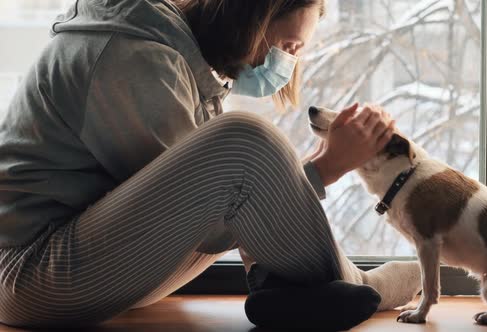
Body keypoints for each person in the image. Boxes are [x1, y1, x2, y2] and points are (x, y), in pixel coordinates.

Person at [0, 0, 421, 330]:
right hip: (32, 274)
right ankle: (362, 289)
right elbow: (209, 213)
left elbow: (208, 203)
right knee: (245, 140)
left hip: (72, 263)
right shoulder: (133, 57)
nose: (289, 64)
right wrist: (327, 166)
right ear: (255, 17)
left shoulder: (173, 57)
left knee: (247, 154)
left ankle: (279, 289)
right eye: (290, 47)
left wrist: (317, 167)